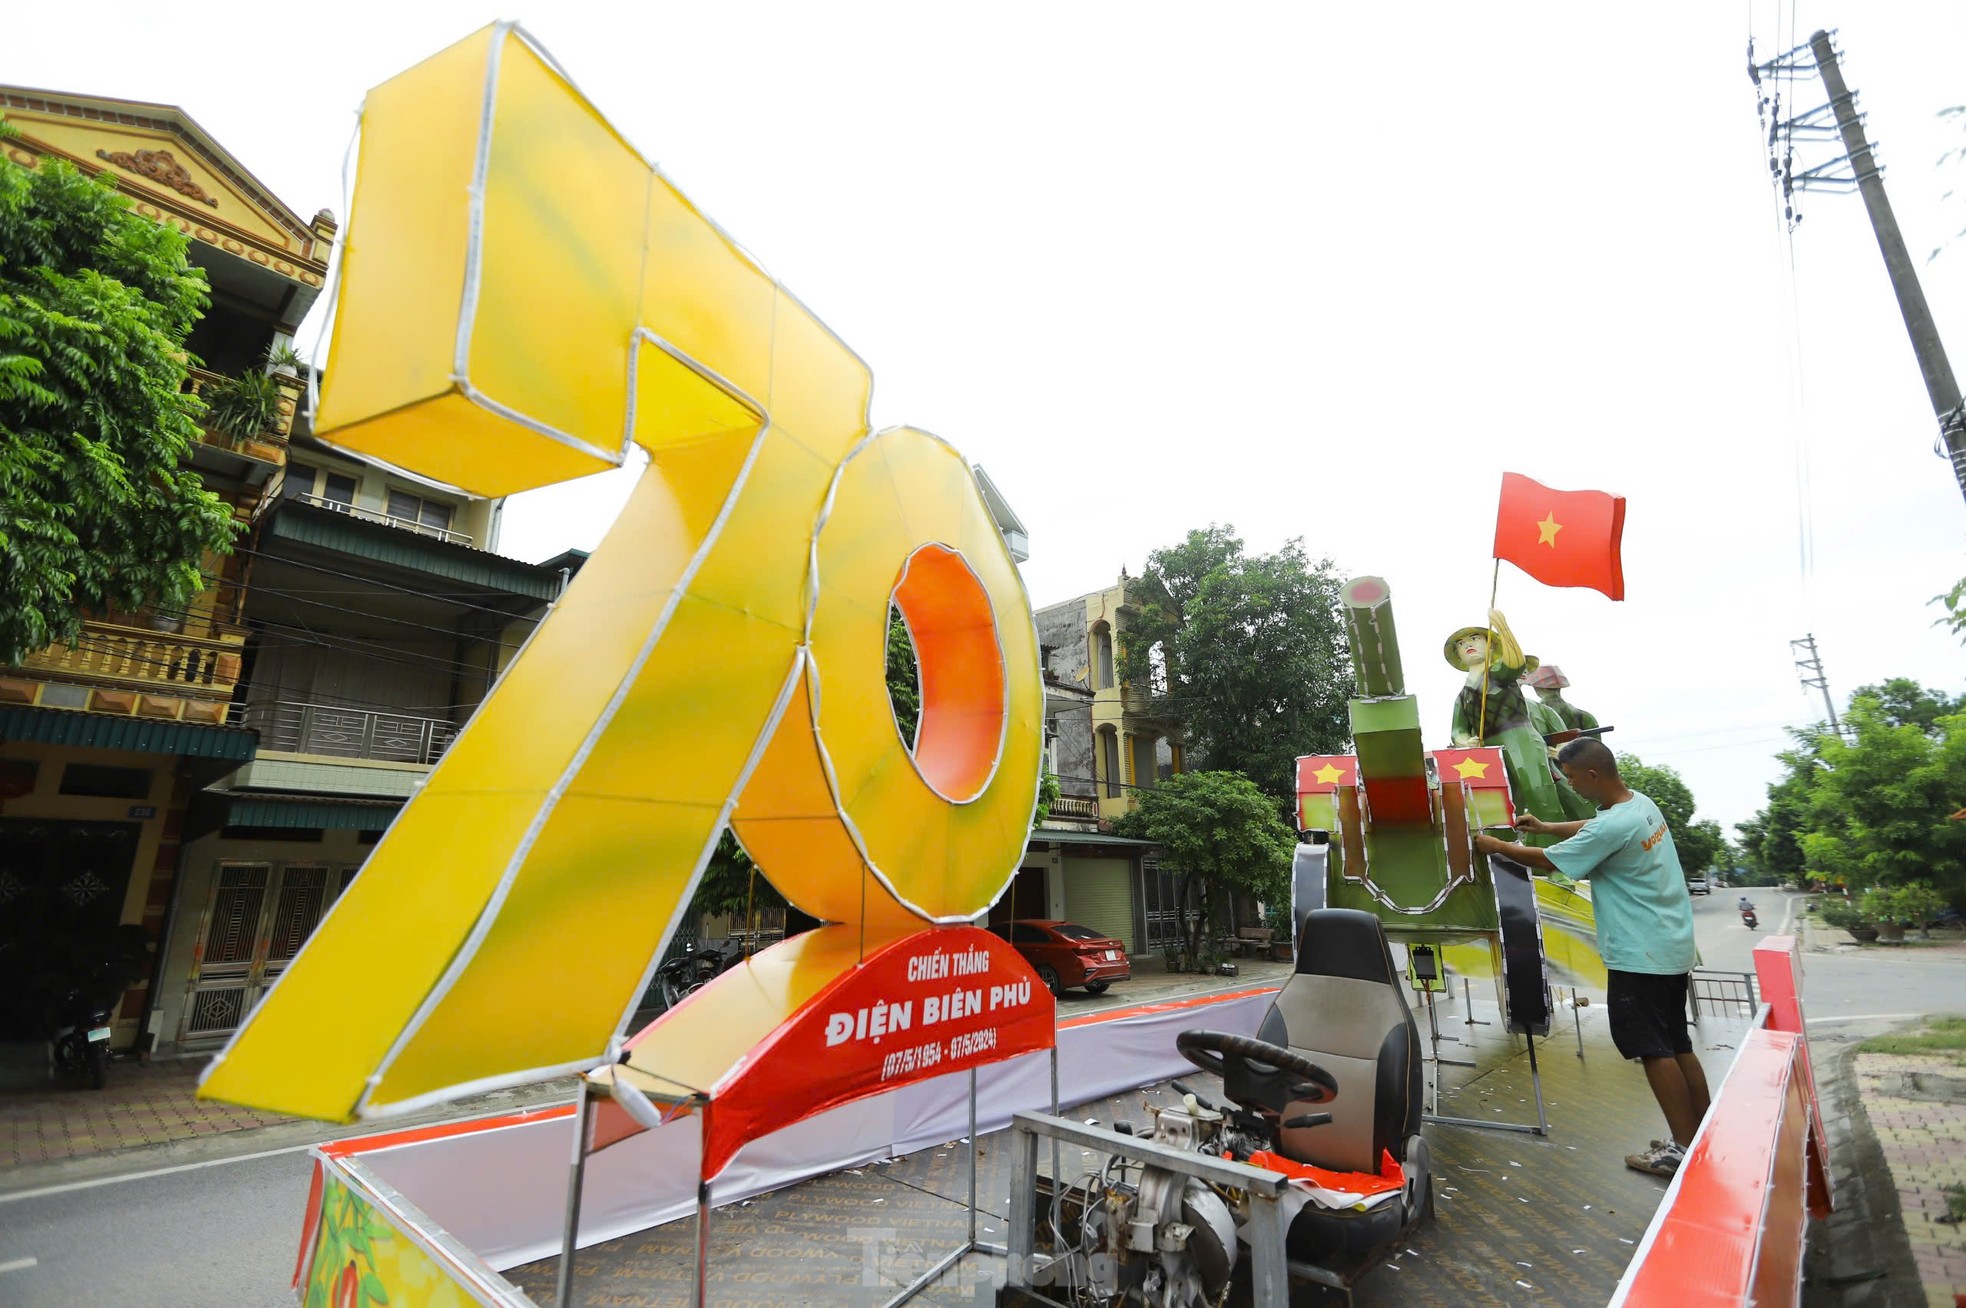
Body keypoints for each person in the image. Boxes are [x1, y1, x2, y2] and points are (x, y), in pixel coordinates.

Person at [1473, 738, 1707, 1177]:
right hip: (1670, 944)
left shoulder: (1613, 826)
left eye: (1572, 776)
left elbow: (1546, 863)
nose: (1570, 783)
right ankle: (1699, 1135)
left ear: (1593, 775)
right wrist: (1545, 825)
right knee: (1677, 1042)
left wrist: (1496, 846)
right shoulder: (1639, 805)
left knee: (1652, 1049)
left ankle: (1679, 1148)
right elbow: (1592, 829)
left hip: (1639, 953)